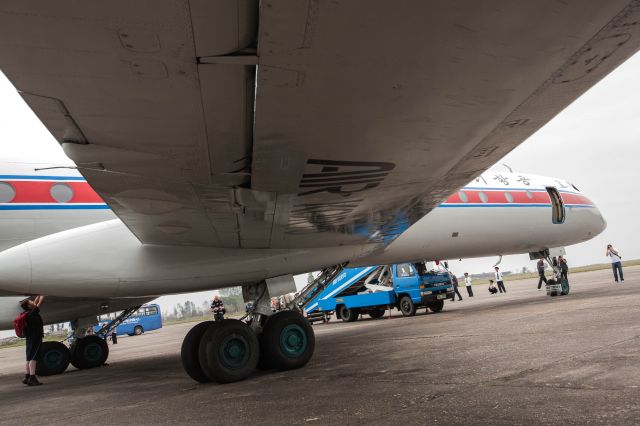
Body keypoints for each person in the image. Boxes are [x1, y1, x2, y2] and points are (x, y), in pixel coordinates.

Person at [20, 296, 45, 386]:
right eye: (31, 302)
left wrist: (38, 295)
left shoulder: (26, 313)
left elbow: (35, 303)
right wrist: (43, 295)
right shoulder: (32, 313)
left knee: (29, 358)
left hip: (29, 338)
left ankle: (27, 377)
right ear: (29, 306)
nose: (33, 302)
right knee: (34, 358)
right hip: (35, 338)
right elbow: (39, 303)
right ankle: (32, 378)